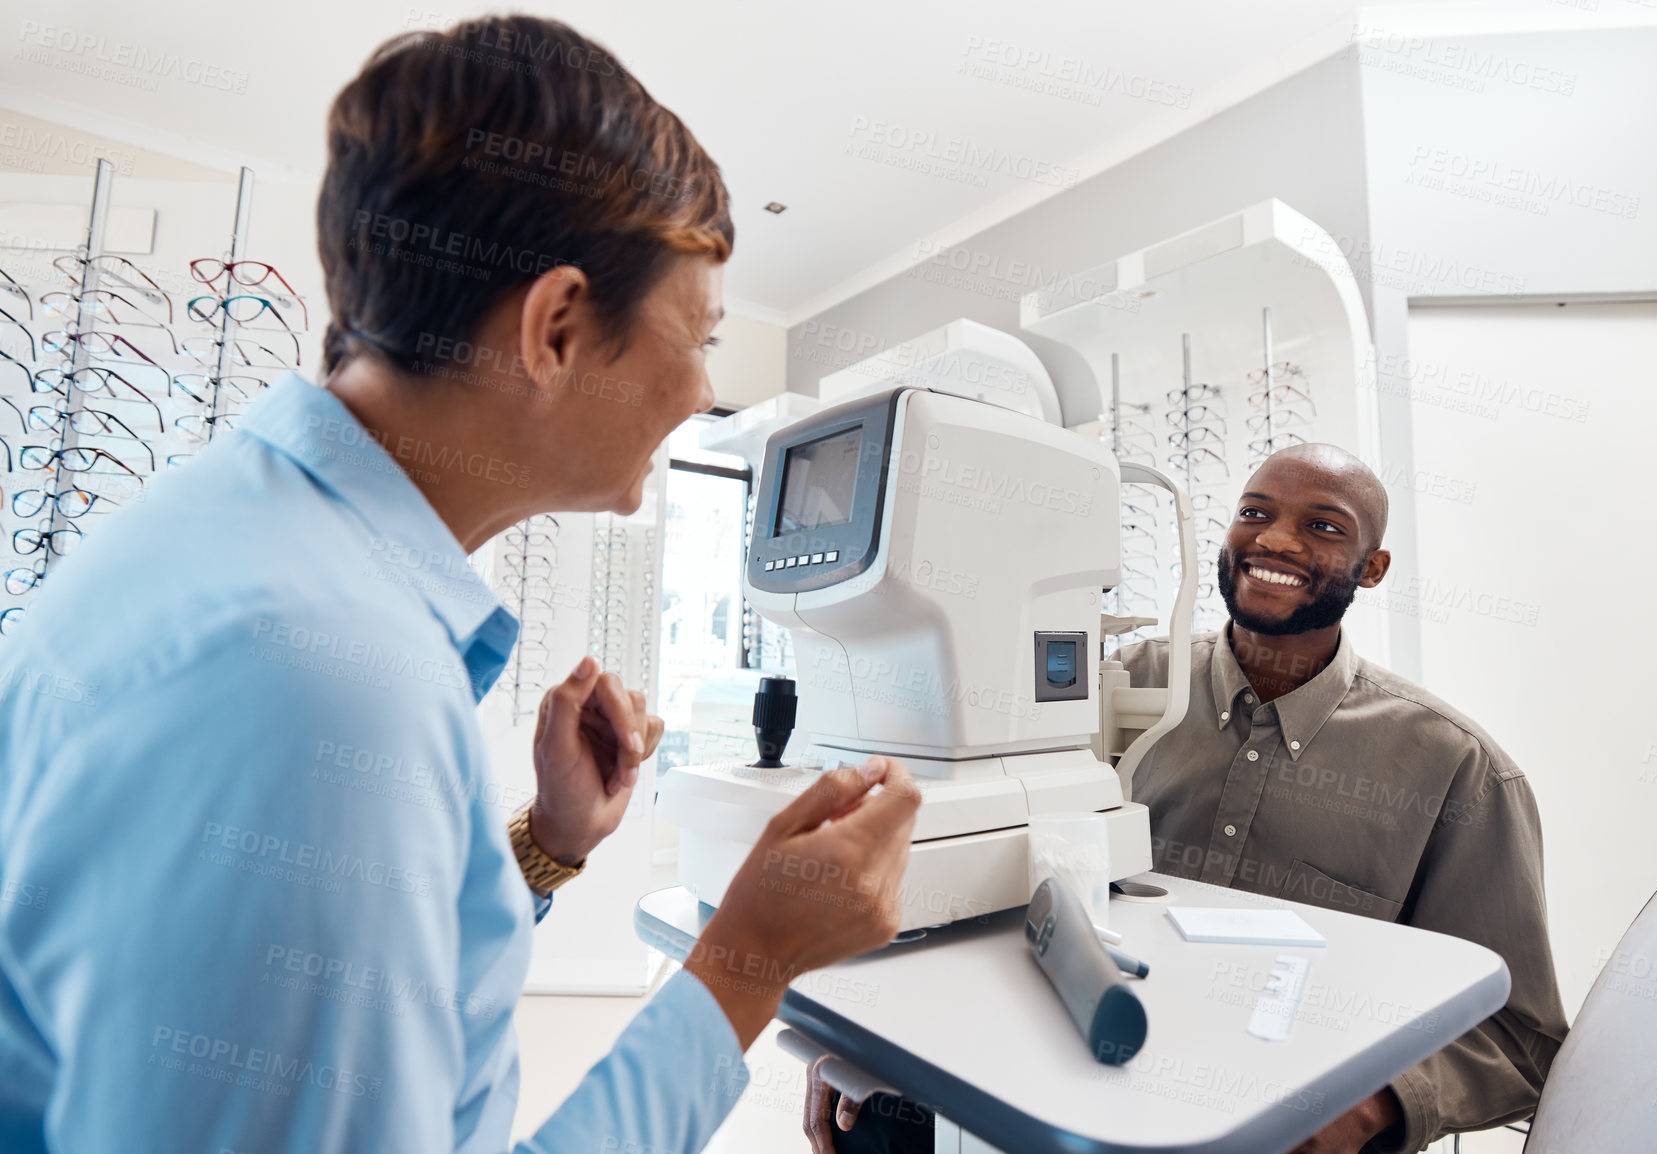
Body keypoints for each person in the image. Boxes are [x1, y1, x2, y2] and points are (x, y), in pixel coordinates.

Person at [0, 16, 920, 1154]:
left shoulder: (252, 552)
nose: (700, 395)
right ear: (558, 328)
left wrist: (547, 844)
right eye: (702, 336)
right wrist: (748, 961)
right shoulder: (314, 679)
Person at [806, 443, 1566, 1154]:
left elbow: (1516, 1035)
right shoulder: (1107, 689)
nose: (1275, 541)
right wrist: (865, 1029)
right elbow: (984, 887)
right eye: (1255, 512)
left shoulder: (1452, 768)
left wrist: (1369, 1109)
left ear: (1371, 568)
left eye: (1323, 527)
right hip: (1056, 1090)